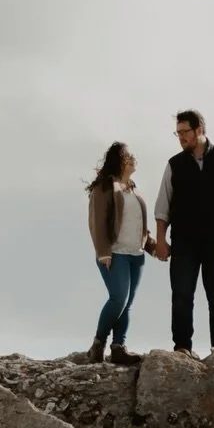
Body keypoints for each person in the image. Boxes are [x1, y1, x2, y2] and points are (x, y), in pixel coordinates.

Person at [154, 109, 214, 354]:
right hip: (184, 242)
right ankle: (182, 348)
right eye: (178, 132)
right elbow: (162, 206)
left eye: (185, 132)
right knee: (182, 297)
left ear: (200, 130)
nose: (181, 137)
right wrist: (160, 239)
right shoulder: (174, 164)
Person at [86, 141, 153, 365]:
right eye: (129, 155)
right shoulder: (104, 187)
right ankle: (97, 345)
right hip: (114, 253)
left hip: (136, 254)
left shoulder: (133, 188)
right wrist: (103, 252)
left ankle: (118, 348)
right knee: (118, 299)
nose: (134, 159)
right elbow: (97, 221)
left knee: (128, 302)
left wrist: (154, 247)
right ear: (121, 159)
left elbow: (139, 225)